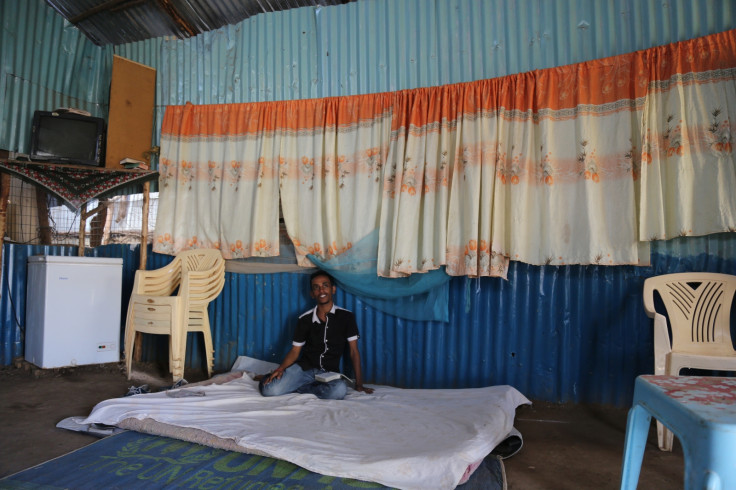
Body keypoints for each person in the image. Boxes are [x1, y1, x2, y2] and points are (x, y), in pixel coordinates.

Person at [258, 270, 374, 399]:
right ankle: (272, 377)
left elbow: (353, 351)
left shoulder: (346, 317)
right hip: (303, 370)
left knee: (339, 390)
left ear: (333, 289)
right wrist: (280, 369)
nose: (321, 290)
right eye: (316, 288)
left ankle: (301, 387)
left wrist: (359, 384)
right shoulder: (304, 319)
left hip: (329, 374)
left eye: (325, 285)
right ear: (312, 294)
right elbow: (295, 351)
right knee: (269, 390)